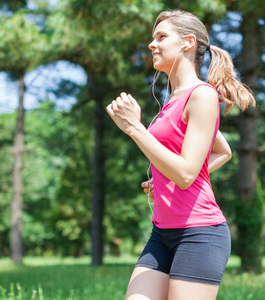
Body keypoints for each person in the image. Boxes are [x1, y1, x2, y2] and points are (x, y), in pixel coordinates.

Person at [106, 9, 256, 300]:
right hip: (162, 234)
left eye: (161, 37)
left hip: (199, 233)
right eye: (153, 38)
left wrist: (136, 128)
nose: (152, 44)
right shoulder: (173, 100)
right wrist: (165, 179)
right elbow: (222, 151)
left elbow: (187, 173)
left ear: (188, 42)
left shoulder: (202, 95)